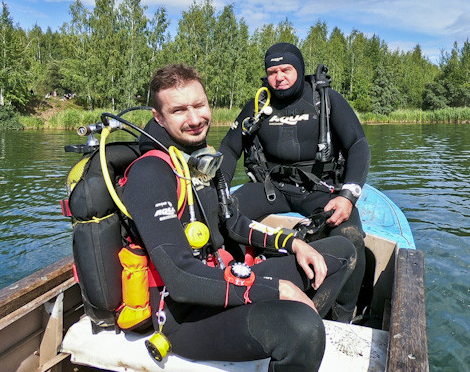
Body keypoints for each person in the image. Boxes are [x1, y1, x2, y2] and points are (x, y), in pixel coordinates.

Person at [121, 63, 356, 371]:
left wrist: (293, 244)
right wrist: (273, 290)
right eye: (179, 110)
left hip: (225, 278)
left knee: (341, 253)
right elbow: (181, 280)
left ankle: (294, 342)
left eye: (199, 105)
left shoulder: (201, 160)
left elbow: (233, 223)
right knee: (301, 330)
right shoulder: (150, 173)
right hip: (185, 314)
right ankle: (296, 334)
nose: (194, 119)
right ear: (159, 118)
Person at [219, 43, 370, 323]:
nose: (279, 77)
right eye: (272, 71)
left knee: (351, 236)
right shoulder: (258, 105)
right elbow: (229, 149)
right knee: (223, 214)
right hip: (271, 188)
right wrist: (220, 189)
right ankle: (236, 280)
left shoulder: (325, 99)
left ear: (299, 70)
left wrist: (348, 195)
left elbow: (358, 145)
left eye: (286, 69)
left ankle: (344, 316)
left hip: (318, 189)